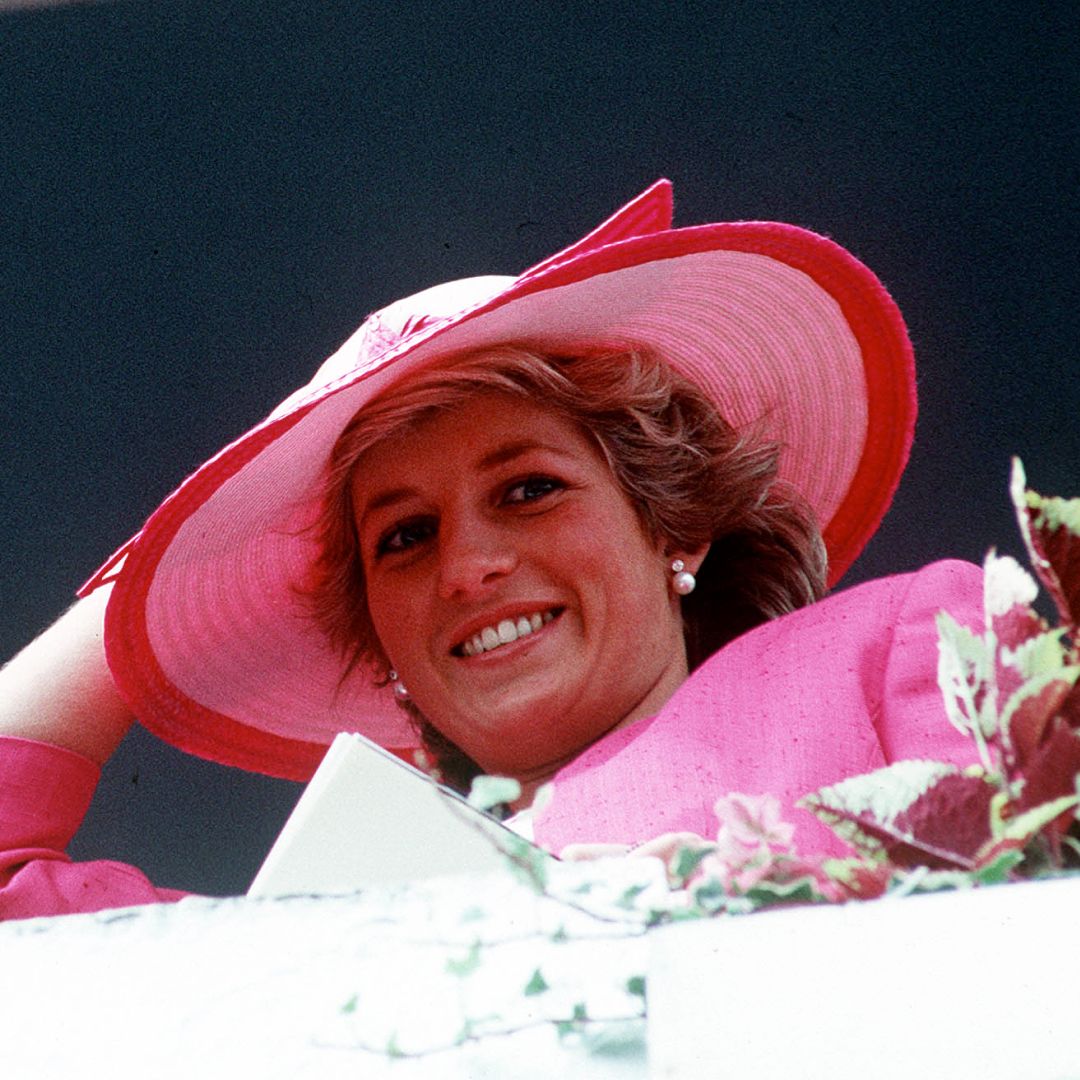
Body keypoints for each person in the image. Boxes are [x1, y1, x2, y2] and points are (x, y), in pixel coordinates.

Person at [0, 179, 984, 920]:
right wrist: (156, 570)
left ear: (675, 521)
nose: (467, 568)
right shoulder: (347, 911)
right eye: (405, 539)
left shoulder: (894, 648)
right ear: (381, 645)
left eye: (528, 491)